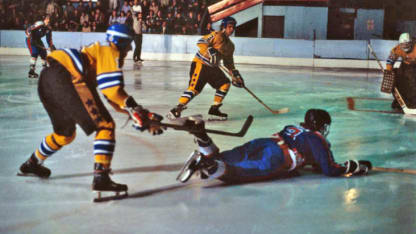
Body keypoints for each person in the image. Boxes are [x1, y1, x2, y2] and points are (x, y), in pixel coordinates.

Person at [18, 24, 165, 195]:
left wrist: (136, 114)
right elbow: (113, 91)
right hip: (66, 77)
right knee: (105, 125)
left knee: (65, 134)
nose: (130, 49)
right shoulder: (110, 51)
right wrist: (139, 112)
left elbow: (112, 98)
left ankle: (32, 163)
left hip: (48, 78)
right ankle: (101, 177)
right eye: (128, 44)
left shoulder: (97, 53)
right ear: (120, 42)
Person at [177, 109, 372, 183]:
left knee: (226, 157)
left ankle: (202, 137)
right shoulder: (316, 139)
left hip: (264, 142)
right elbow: (329, 168)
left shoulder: (293, 127)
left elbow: (315, 163)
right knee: (235, 173)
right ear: (320, 125)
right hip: (276, 157)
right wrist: (353, 166)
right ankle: (206, 165)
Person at [167, 16, 244, 121]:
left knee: (224, 84)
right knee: (195, 89)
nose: (232, 29)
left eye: (233, 27)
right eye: (229, 26)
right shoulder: (216, 35)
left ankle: (214, 109)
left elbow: (228, 62)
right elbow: (201, 41)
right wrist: (210, 50)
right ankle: (176, 109)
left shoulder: (231, 45)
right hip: (201, 64)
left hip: (213, 68)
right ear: (224, 27)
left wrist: (235, 74)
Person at [386, 33, 416, 111]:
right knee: (396, 79)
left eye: (407, 44)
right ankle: (399, 102)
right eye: (403, 45)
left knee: (412, 84)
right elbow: (390, 60)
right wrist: (389, 71)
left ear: (411, 42)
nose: (405, 46)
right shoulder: (397, 48)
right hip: (404, 66)